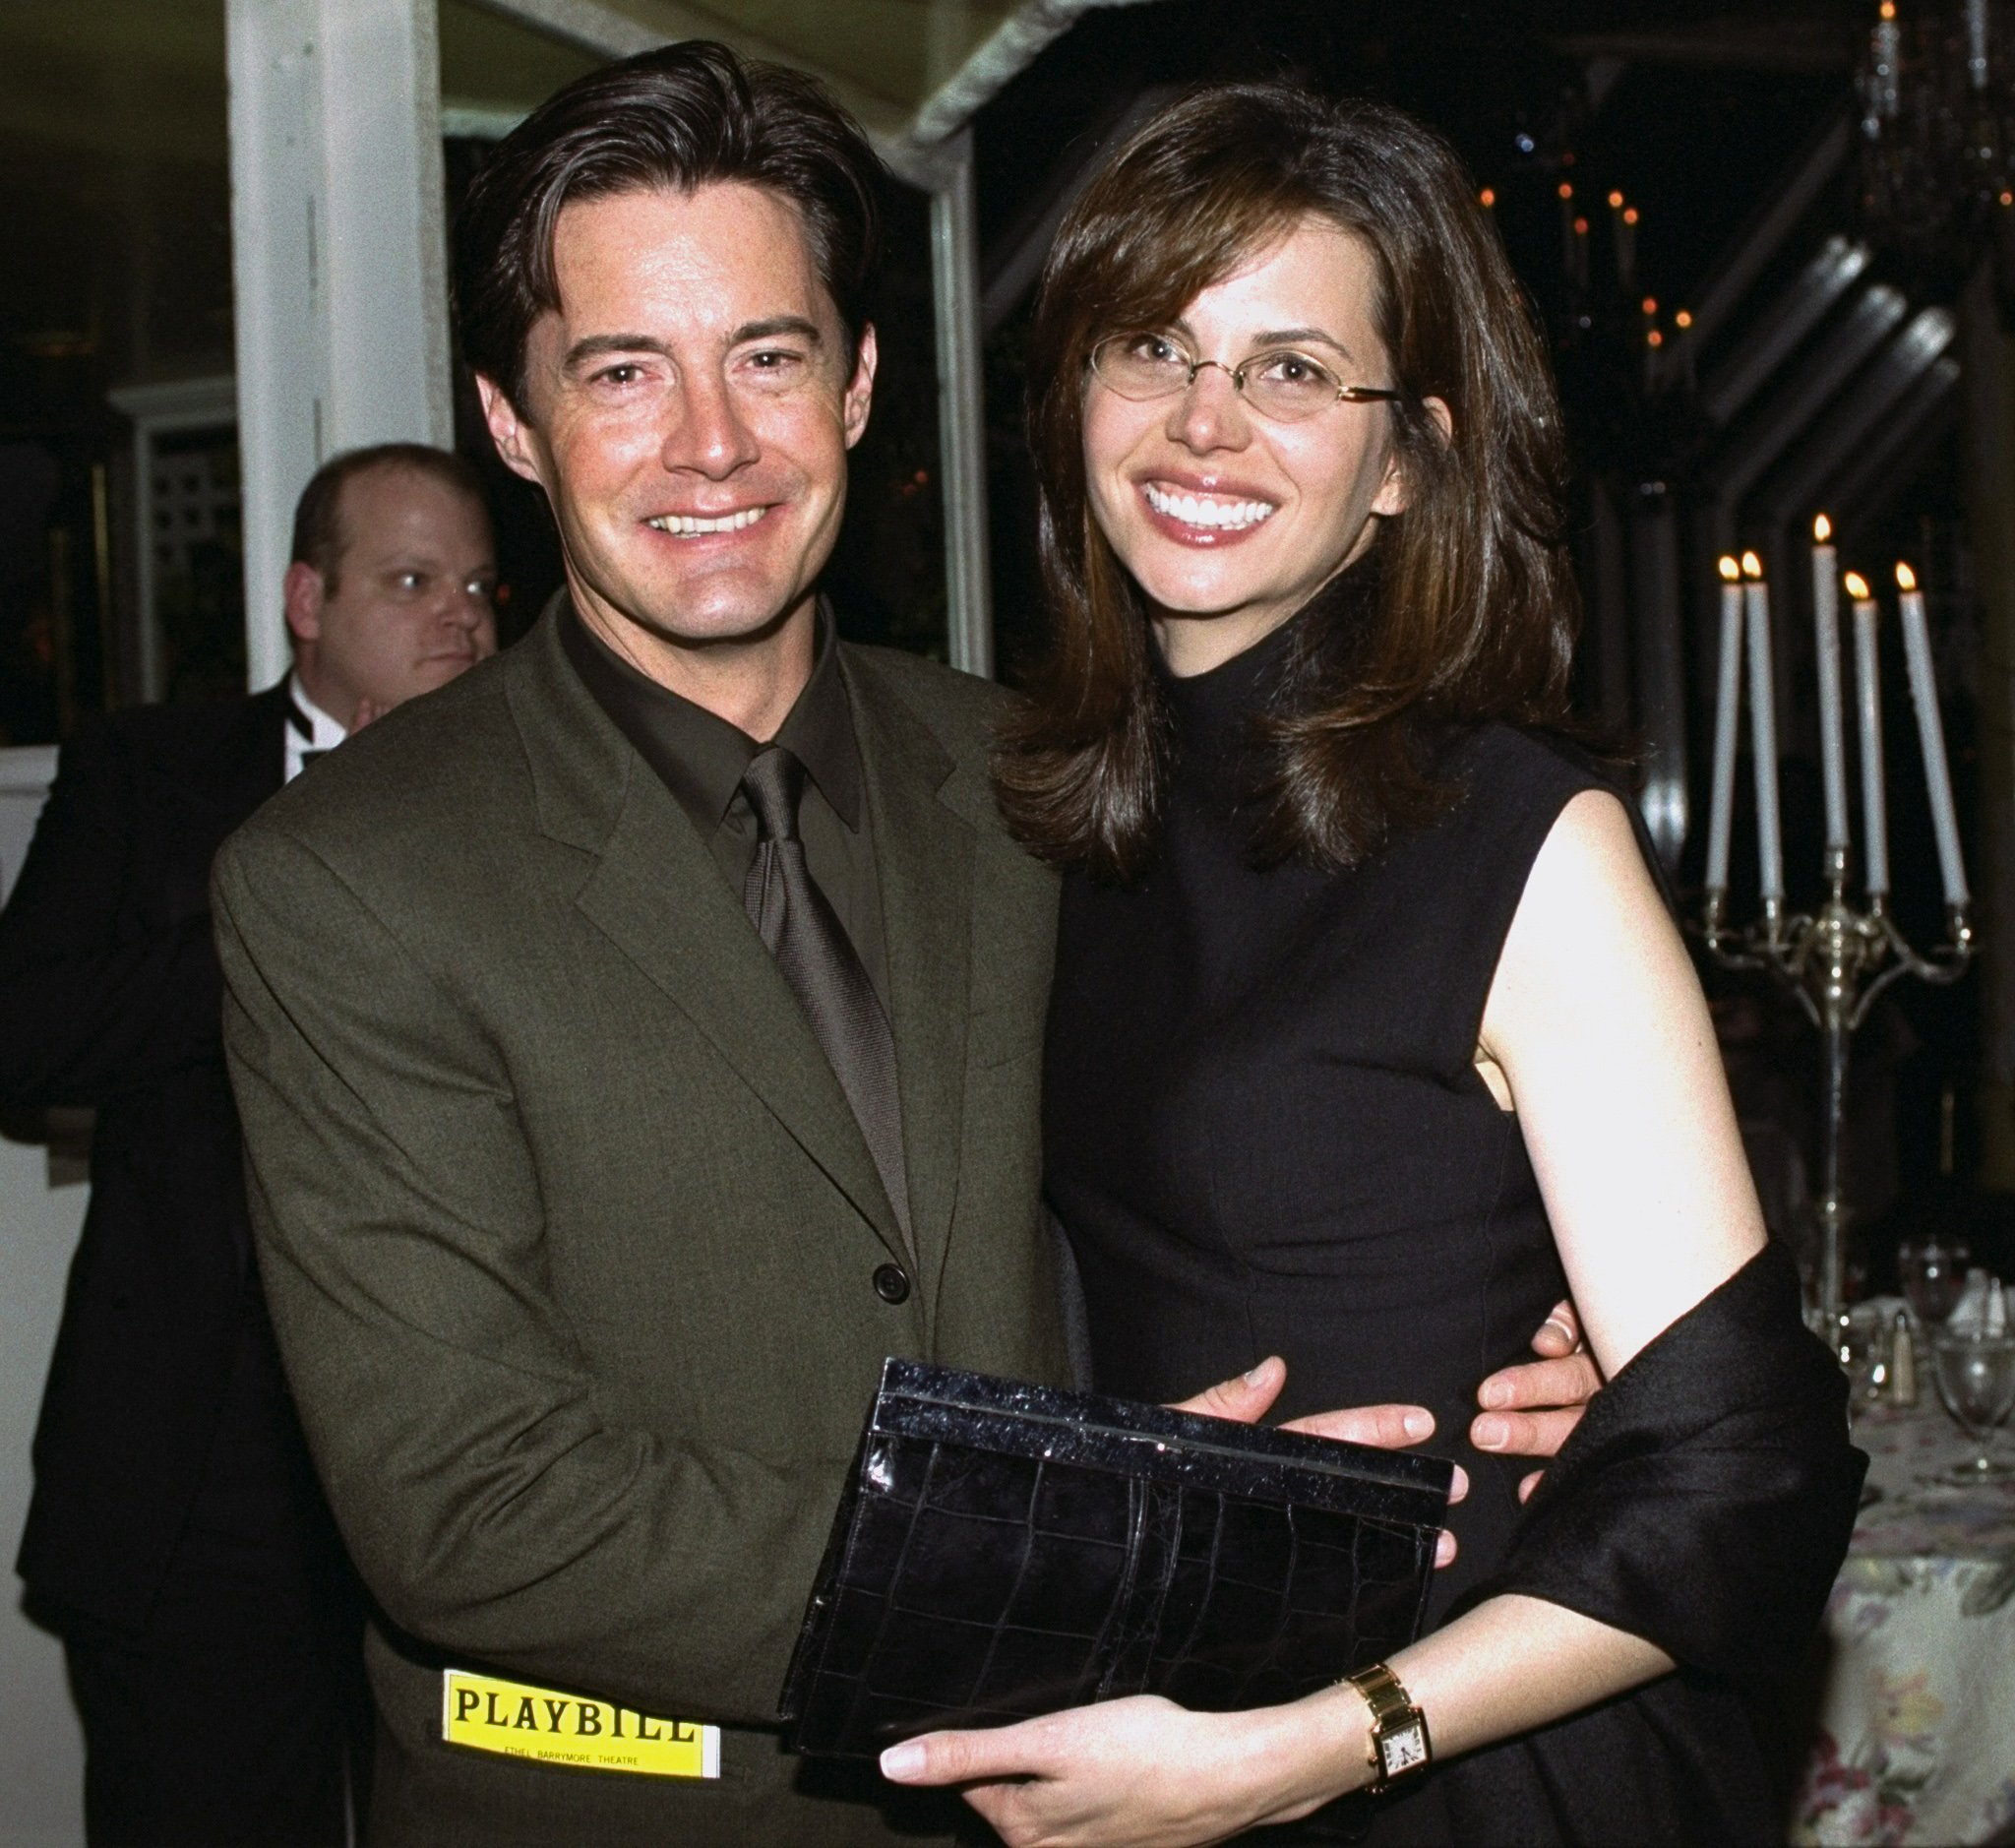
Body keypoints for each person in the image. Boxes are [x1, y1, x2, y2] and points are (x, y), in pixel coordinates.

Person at [208, 46, 1590, 1848]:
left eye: (767, 356)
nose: (710, 444)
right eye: (624, 371)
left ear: (858, 385)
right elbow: (470, 1503)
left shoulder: (1042, 778)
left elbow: (1223, 1157)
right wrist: (1095, 1559)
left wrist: (1530, 1332)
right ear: (513, 420)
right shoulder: (349, 880)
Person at [881, 85, 1865, 1846]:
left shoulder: (1513, 836)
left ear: (1406, 457)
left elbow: (1749, 1472)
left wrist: (1315, 1747)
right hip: (1158, 1729)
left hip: (1462, 1771)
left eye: (1290, 370)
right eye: (1154, 347)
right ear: (1072, 398)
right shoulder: (1051, 820)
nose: (1204, 424)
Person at [0, 441, 497, 1845]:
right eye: (409, 580)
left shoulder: (541, 808)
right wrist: (295, 898)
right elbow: (21, 1029)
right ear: (305, 600)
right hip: (200, 1479)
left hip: (470, 1474)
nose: (459, 615)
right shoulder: (151, 777)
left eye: (476, 582)